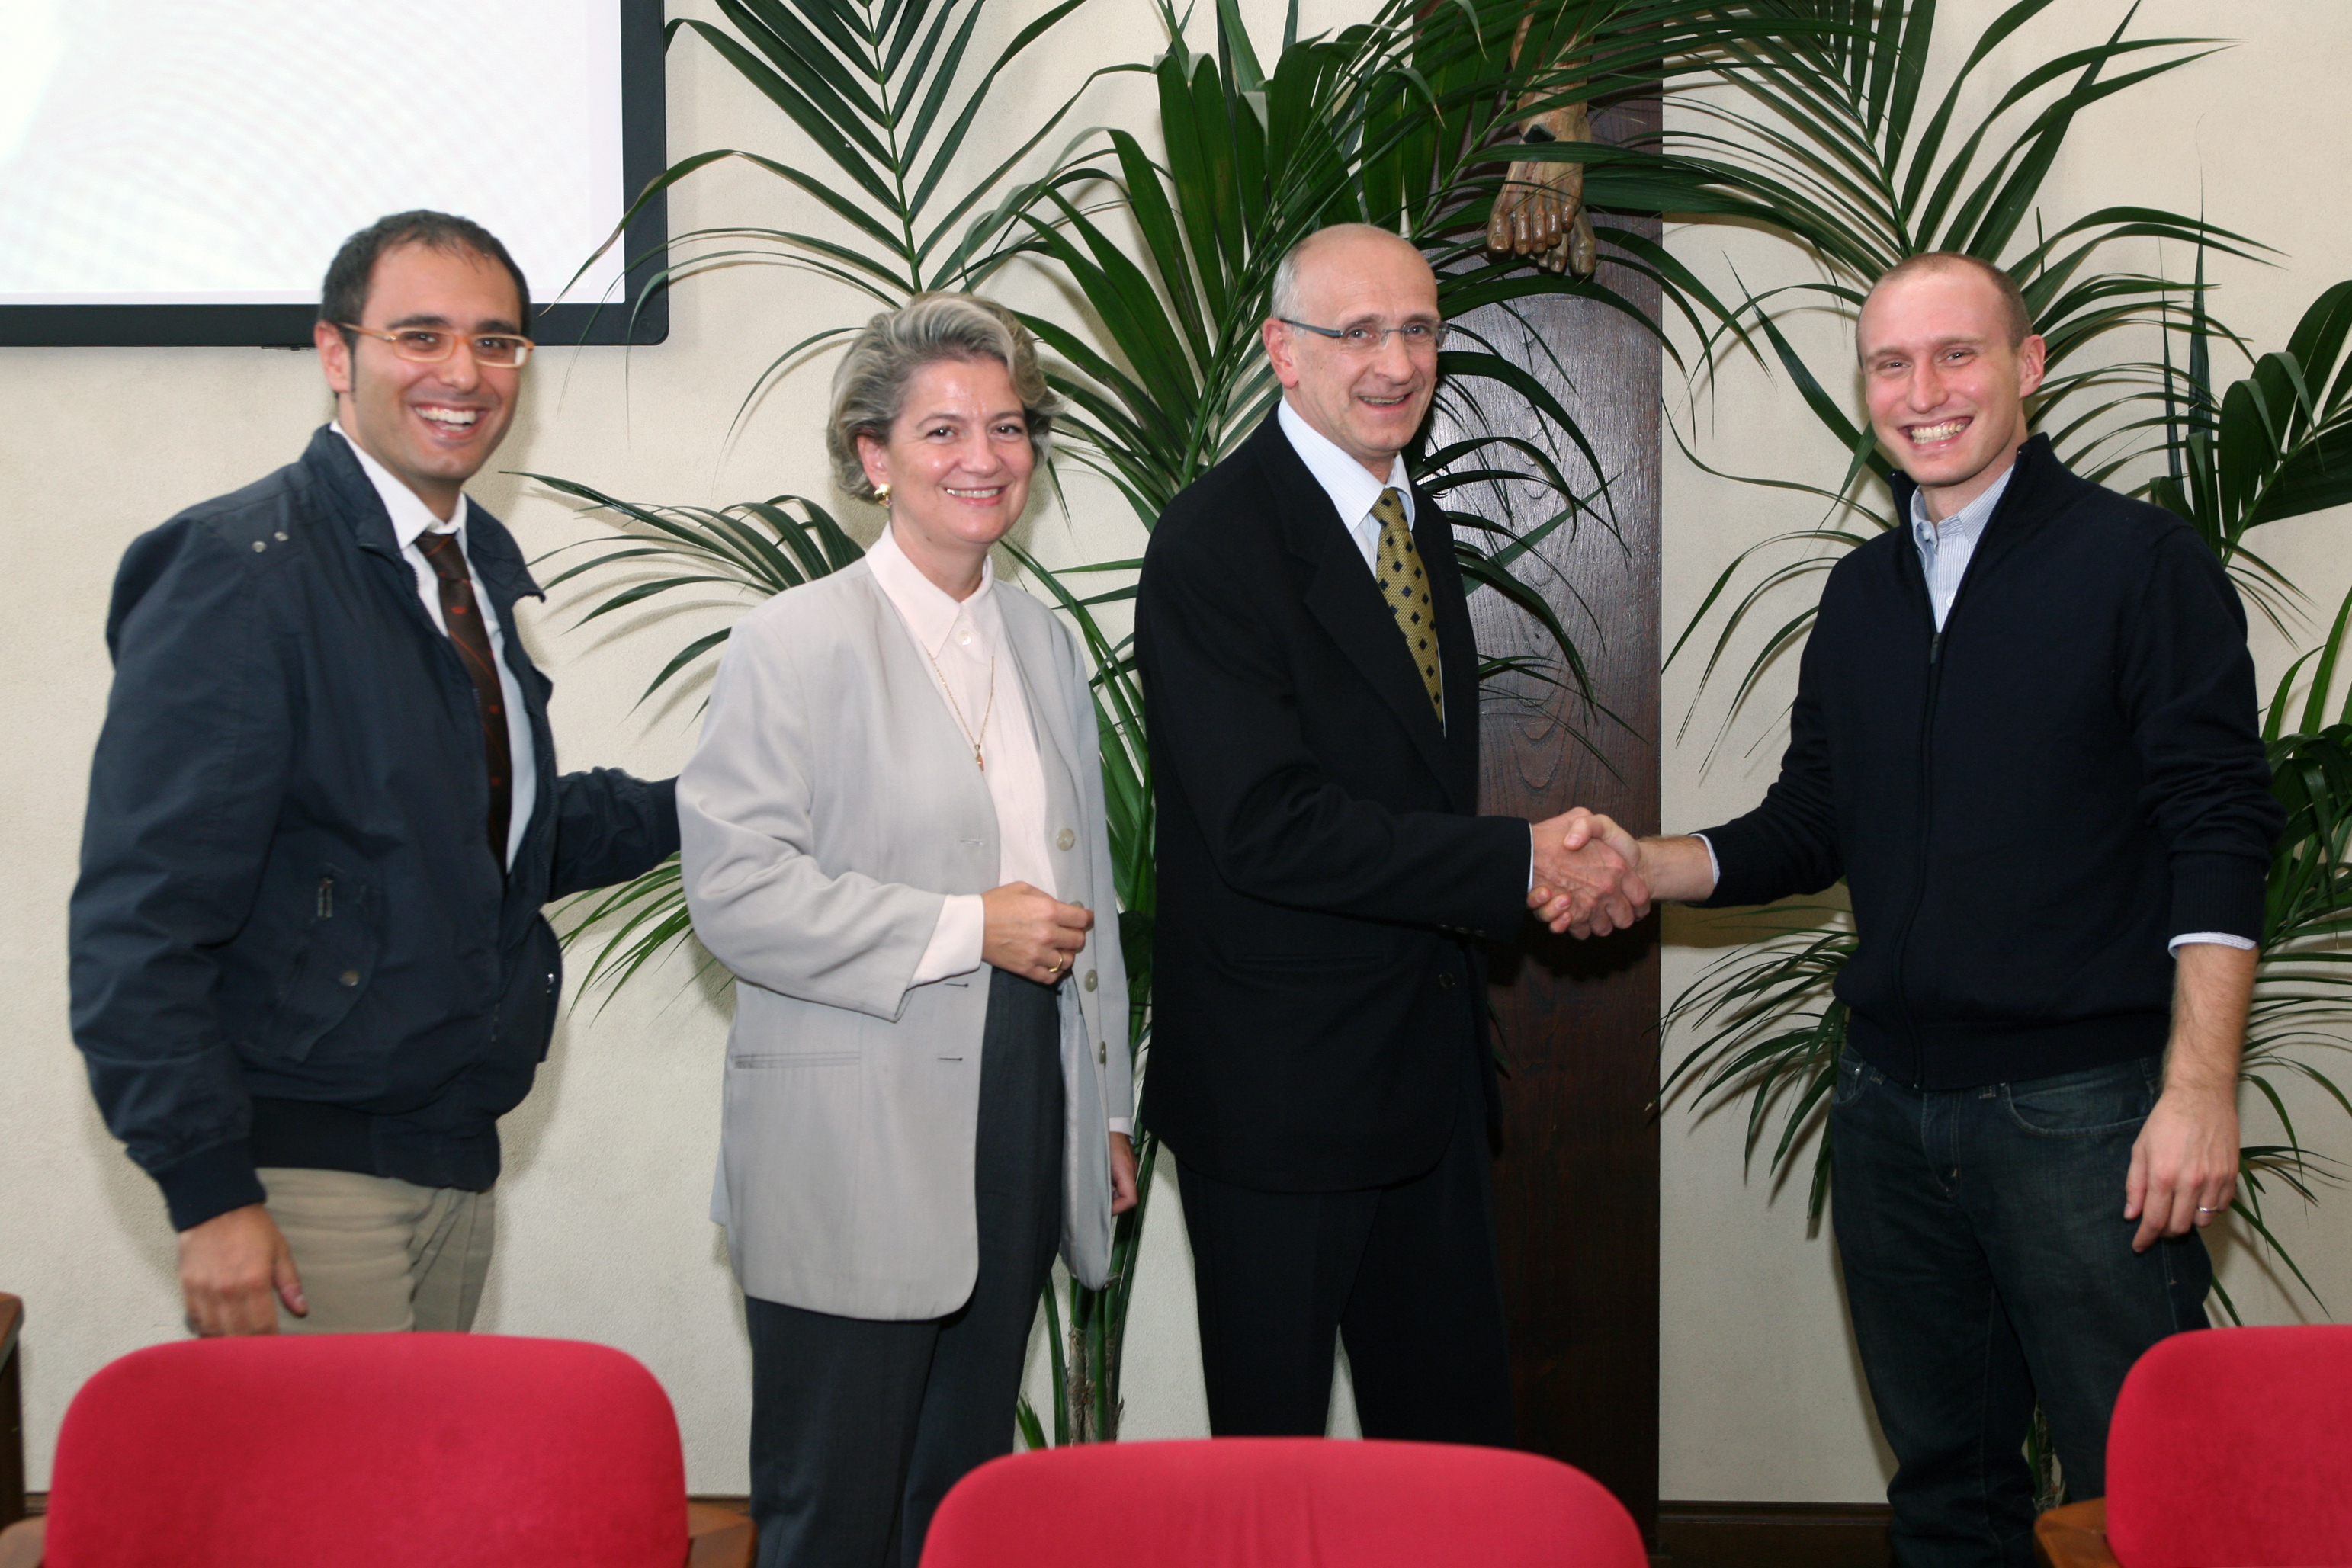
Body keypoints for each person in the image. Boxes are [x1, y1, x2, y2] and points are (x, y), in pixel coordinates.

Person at [1541, 252, 2284, 1566]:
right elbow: (1809, 825)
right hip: (1887, 1111)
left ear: (2027, 367)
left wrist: (2201, 1086)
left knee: (2148, 1497)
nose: (1923, 390)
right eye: (1891, 362)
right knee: (1945, 1491)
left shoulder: (2136, 564)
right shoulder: (1861, 594)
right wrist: (1638, 864)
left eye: (1957, 355)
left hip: (2088, 1115)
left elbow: (2220, 827)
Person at [69, 210, 682, 1337]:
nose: (463, 372)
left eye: (496, 342)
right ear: (336, 354)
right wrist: (210, 1191)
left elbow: (496, 836)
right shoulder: (242, 572)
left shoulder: (466, 567)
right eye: (421, 335)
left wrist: (720, 800)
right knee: (326, 1513)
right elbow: (140, 918)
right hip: (306, 1178)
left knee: (417, 1510)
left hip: (449, 1152)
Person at [1133, 222, 1644, 1445]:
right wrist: (1518, 863)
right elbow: (1267, 827)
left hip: (1423, 1087)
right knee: (1276, 1478)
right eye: (1355, 330)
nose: (1394, 360)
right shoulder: (1210, 544)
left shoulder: (1409, 515)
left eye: (1416, 328)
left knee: (1455, 1462)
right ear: (1281, 353)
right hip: (1280, 1104)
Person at [677, 293, 1137, 1568]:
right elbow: (734, 890)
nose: (981, 457)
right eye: (941, 430)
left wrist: (1102, 1101)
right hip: (848, 1132)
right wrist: (960, 926)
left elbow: (1082, 876)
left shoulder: (1042, 641)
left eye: (1007, 426)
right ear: (871, 457)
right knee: (835, 1508)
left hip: (1019, 1099)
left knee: (959, 1496)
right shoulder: (791, 640)